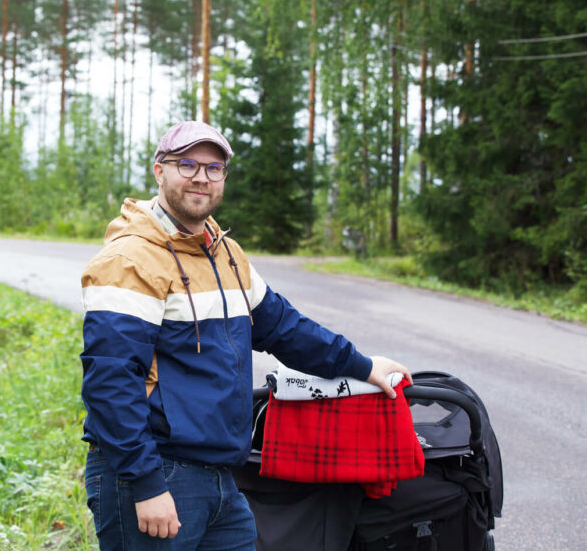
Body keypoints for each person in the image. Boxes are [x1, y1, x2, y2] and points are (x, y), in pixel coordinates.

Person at [79, 120, 411, 550]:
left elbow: (284, 328)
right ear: (159, 171)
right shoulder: (129, 259)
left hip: (218, 478)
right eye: (188, 164)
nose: (201, 176)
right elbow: (110, 382)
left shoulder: (224, 253)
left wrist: (363, 366)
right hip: (154, 475)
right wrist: (146, 484)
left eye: (214, 167)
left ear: (224, 178)